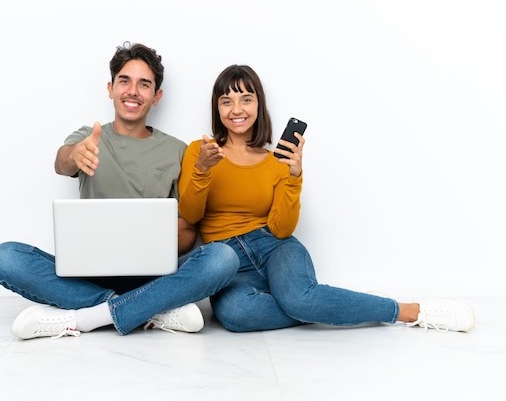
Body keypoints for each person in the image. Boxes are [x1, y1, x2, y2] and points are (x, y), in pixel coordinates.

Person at [177, 64, 475, 333]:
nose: (236, 109)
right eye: (226, 101)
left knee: (299, 297)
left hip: (273, 247)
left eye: (246, 99)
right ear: (217, 108)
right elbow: (190, 215)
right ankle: (321, 305)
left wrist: (294, 177)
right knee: (237, 314)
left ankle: (410, 311)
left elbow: (282, 230)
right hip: (226, 258)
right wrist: (202, 170)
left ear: (259, 105)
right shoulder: (199, 151)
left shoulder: (277, 161)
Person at [0, 42, 239, 339]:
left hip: (153, 276)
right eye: (124, 81)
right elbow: (62, 162)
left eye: (144, 84)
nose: (132, 91)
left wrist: (153, 241)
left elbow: (187, 232)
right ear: (110, 88)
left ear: (156, 96)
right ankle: (149, 310)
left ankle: (87, 317)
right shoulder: (88, 138)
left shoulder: (177, 150)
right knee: (4, 258)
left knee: (223, 258)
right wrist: (74, 155)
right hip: (89, 275)